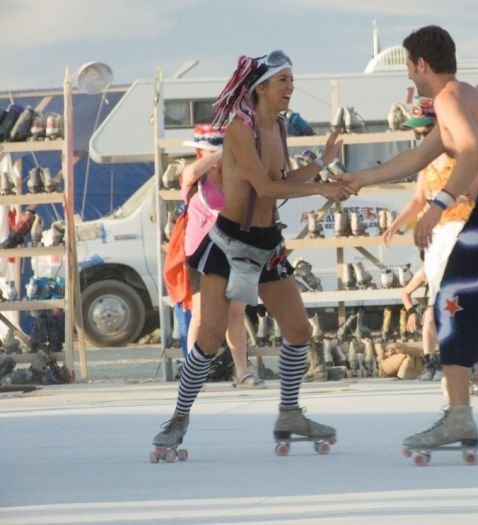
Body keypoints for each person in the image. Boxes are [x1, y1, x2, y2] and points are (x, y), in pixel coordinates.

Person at [333, 25, 478, 456]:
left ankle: (458, 416)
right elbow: (417, 157)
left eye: (410, 69)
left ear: (422, 64)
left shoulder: (449, 97)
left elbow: (471, 152)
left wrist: (437, 207)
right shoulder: (467, 97)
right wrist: (359, 178)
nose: (409, 78)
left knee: (451, 303)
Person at [151, 50, 353, 458]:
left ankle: (290, 414)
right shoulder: (240, 131)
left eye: (292, 80)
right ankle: (177, 418)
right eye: (284, 81)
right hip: (229, 244)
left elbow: (283, 179)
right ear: (261, 88)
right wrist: (321, 187)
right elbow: (264, 188)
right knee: (209, 339)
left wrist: (323, 164)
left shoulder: (277, 127)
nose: (291, 88)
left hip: (267, 246)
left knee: (299, 331)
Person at [383, 98, 473, 382]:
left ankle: (462, 358)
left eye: (425, 131)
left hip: (460, 228)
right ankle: (437, 359)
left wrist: (457, 197)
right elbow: (418, 198)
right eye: (417, 133)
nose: (420, 137)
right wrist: (396, 225)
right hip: (438, 234)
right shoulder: (426, 165)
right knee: (437, 303)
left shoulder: (458, 154)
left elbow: (474, 190)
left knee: (453, 301)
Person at [180, 124, 265, 388]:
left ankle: (242, 371)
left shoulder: (236, 175)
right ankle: (193, 372)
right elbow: (191, 172)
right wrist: (220, 153)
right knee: (202, 315)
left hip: (236, 252)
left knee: (236, 314)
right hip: (201, 253)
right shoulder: (195, 177)